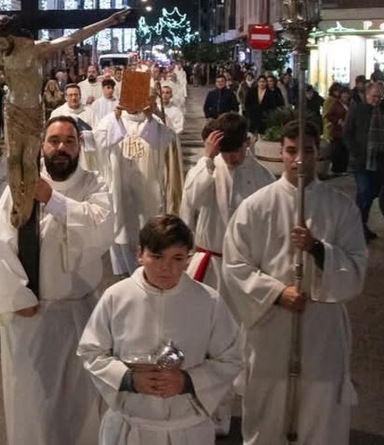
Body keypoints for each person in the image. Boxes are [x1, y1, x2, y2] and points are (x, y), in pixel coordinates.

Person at [222, 120, 368, 444]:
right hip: (270, 323)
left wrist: (317, 250)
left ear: (319, 152)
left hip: (321, 325)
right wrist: (276, 293)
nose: (299, 159)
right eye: (291, 151)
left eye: (308, 150)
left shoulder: (340, 207)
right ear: (281, 154)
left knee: (320, 408)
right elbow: (235, 266)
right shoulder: (256, 207)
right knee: (267, 404)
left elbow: (357, 267)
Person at [0, 116, 114, 445]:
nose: (61, 148)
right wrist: (18, 297)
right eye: (54, 141)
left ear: (80, 145)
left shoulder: (95, 185)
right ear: (42, 145)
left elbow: (102, 227)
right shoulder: (20, 185)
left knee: (78, 403)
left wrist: (52, 199)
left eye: (69, 141)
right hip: (31, 315)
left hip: (80, 313)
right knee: (34, 403)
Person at [0, 8, 129, 230]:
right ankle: (16, 203)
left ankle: (27, 205)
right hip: (12, 108)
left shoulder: (35, 49)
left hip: (32, 110)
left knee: (29, 160)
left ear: (10, 36)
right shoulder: (1, 46)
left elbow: (75, 36)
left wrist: (108, 21)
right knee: (12, 159)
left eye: (0, 42)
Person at [78, 214, 243, 445]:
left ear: (188, 258)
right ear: (139, 255)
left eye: (177, 258)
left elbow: (231, 358)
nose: (167, 267)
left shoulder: (207, 301)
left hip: (187, 428)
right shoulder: (117, 297)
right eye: (157, 256)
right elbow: (90, 352)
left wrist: (186, 381)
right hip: (132, 426)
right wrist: (128, 379)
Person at [181, 112, 274, 295]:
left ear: (246, 143)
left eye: (235, 152)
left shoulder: (262, 176)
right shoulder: (210, 168)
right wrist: (206, 157)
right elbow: (191, 200)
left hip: (247, 269)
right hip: (212, 263)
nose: (230, 158)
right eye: (225, 153)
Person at [94, 102, 183, 276]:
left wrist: (150, 118)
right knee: (122, 229)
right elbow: (98, 144)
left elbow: (165, 141)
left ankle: (147, 270)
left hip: (146, 189)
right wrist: (116, 118)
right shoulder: (110, 120)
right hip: (120, 187)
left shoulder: (153, 121)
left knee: (146, 228)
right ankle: (125, 273)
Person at [343, 82, 384, 241]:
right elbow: (347, 133)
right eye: (374, 96)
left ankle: (358, 223)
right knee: (364, 191)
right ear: (367, 96)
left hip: (380, 160)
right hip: (362, 160)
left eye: (380, 97)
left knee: (371, 193)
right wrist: (355, 151)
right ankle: (358, 226)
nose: (377, 100)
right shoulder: (358, 110)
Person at [322, 85, 350, 175]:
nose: (345, 98)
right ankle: (337, 169)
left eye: (347, 96)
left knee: (345, 150)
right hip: (337, 130)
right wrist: (338, 121)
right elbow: (329, 115)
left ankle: (343, 168)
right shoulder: (336, 104)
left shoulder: (350, 104)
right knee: (338, 150)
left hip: (347, 130)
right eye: (344, 96)